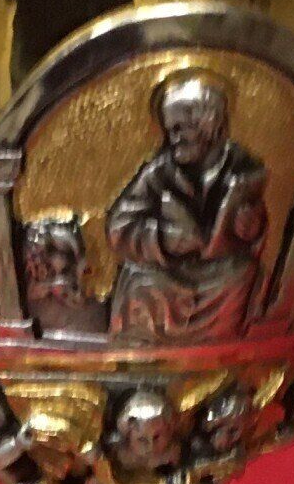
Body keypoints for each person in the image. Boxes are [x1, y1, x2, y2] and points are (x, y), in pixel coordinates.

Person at [107, 71, 267, 342]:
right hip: (166, 273)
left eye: (181, 128)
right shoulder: (159, 173)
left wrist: (251, 228)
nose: (174, 138)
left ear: (209, 124)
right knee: (139, 280)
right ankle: (138, 348)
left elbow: (257, 230)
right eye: (170, 130)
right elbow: (119, 228)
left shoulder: (242, 167)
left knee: (244, 272)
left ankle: (223, 345)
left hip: (217, 273)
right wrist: (163, 239)